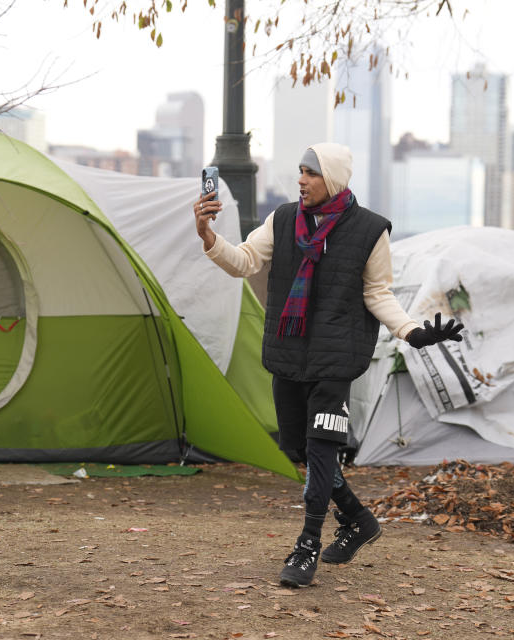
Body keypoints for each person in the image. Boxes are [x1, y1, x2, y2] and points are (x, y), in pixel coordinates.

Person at [194, 143, 462, 588]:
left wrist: (412, 332)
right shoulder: (282, 220)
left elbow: (377, 293)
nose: (301, 180)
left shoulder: (371, 230)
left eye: (311, 173)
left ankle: (307, 544)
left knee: (321, 446)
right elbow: (243, 262)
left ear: (332, 178)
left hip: (337, 357)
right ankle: (358, 520)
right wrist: (207, 234)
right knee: (299, 449)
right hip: (289, 350)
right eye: (300, 171)